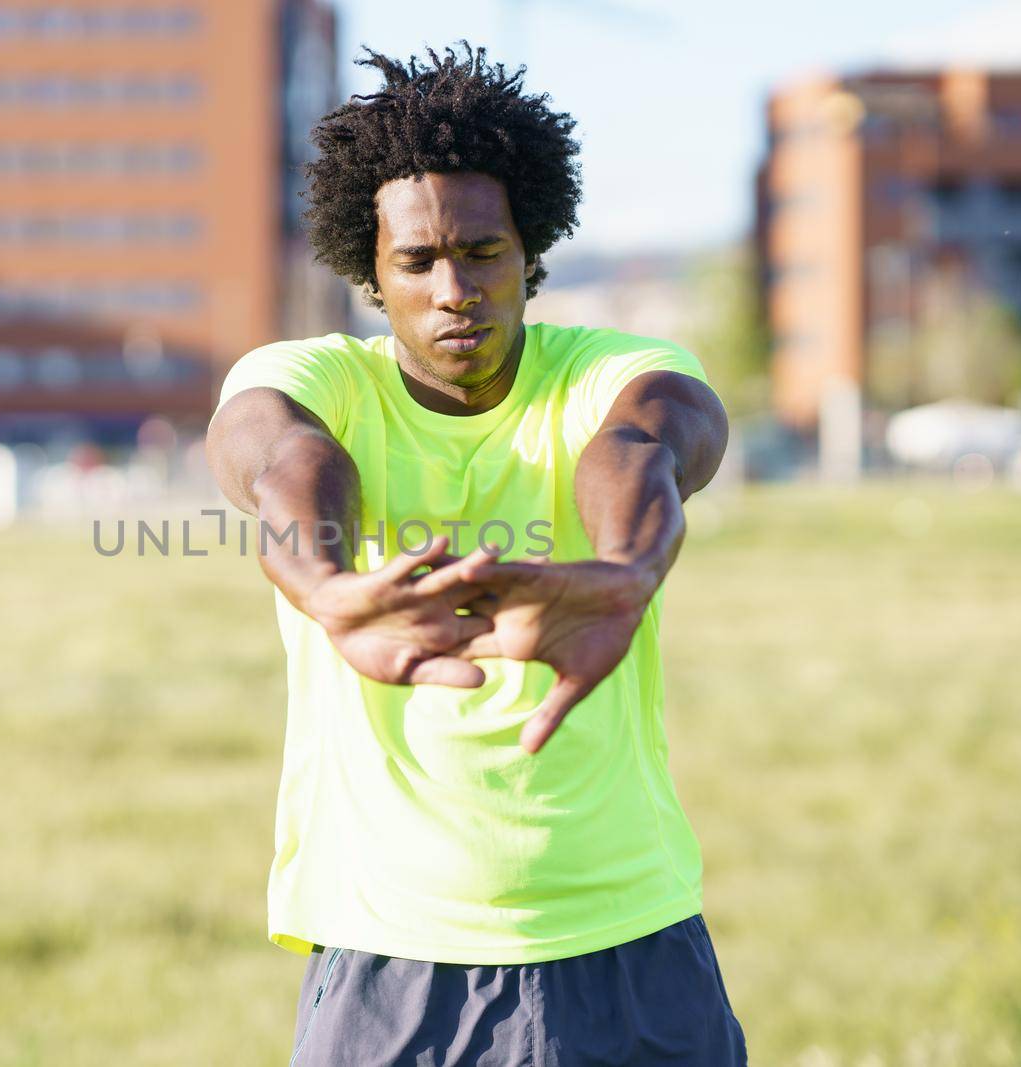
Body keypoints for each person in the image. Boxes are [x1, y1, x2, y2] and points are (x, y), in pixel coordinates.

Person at [205, 42, 745, 1066]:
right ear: (370, 271)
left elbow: (648, 438)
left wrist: (626, 568)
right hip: (389, 954)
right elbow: (278, 452)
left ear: (528, 251)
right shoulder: (313, 377)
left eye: (483, 251)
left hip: (626, 936)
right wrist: (323, 586)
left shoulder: (610, 368)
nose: (456, 287)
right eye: (417, 260)